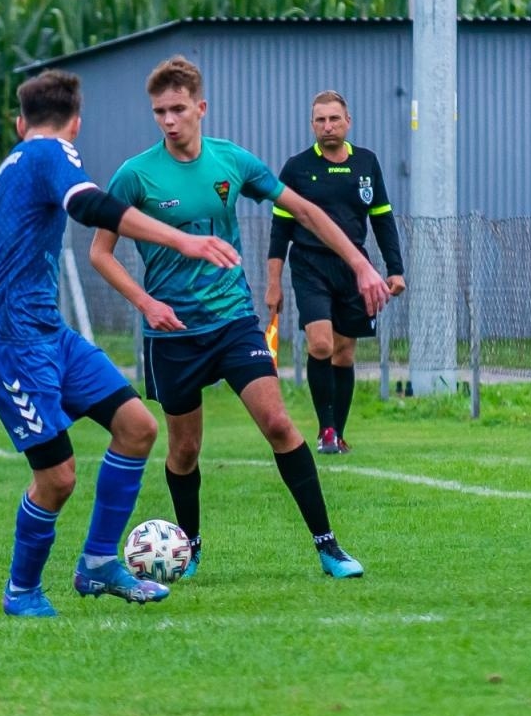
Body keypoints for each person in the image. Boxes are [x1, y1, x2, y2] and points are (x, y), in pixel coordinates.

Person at [89, 55, 387, 581]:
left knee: (278, 423)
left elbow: (305, 211)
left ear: (201, 107)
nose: (168, 120)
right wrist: (146, 303)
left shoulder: (231, 160)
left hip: (232, 320)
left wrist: (362, 264)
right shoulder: (134, 175)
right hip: (173, 333)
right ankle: (190, 546)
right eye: (159, 111)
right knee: (185, 449)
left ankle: (329, 546)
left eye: (178, 109)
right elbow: (101, 252)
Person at [0, 69, 242, 618]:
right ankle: (22, 591)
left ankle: (97, 564)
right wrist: (183, 239)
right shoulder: (51, 152)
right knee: (57, 477)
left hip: (46, 333)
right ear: (76, 124)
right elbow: (89, 205)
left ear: (19, 122)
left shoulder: (2, 175)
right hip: (15, 343)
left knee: (137, 427)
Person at [266, 90, 406, 454]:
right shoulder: (297, 168)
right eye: (320, 120)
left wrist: (395, 269)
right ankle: (325, 430)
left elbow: (382, 219)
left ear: (348, 122)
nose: (327, 126)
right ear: (312, 125)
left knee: (343, 353)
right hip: (309, 265)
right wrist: (273, 283)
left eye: (334, 119)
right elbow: (280, 231)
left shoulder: (366, 163)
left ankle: (338, 433)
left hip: (353, 268)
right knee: (321, 344)